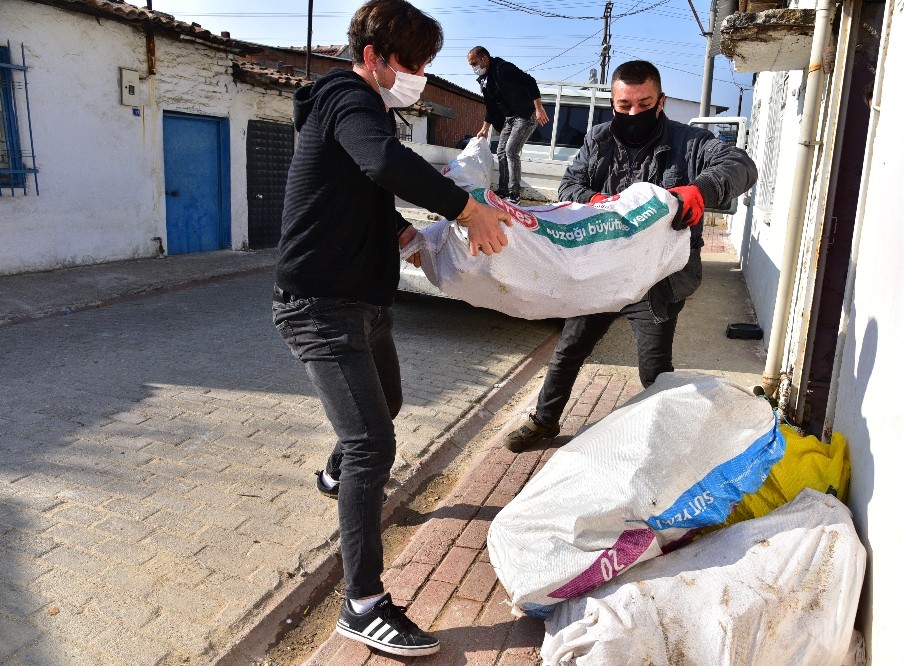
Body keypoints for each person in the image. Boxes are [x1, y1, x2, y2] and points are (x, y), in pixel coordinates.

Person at [272, 0, 511, 657]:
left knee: (389, 406)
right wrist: (466, 209)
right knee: (373, 444)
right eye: (413, 63)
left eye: (429, 64)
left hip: (361, 301)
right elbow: (380, 163)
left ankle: (333, 477)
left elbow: (364, 188)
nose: (421, 77)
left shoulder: (368, 108)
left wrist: (403, 232)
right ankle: (363, 605)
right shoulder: (347, 98)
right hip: (319, 306)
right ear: (374, 56)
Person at [504, 60, 758, 452]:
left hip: (658, 281)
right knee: (569, 349)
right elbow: (569, 186)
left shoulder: (691, 143)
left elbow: (741, 164)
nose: (634, 113)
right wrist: (595, 200)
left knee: (654, 369)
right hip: (601, 274)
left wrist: (701, 189)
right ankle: (544, 421)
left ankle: (663, 440)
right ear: (613, 102)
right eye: (624, 106)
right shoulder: (599, 139)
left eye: (644, 103)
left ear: (661, 101)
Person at [467, 46, 549, 204]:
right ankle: (503, 190)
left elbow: (530, 81)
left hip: (526, 115)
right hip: (510, 118)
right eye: (471, 64)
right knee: (501, 151)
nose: (473, 67)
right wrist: (485, 128)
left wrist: (538, 108)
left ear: (484, 59)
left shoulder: (503, 69)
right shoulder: (485, 80)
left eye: (474, 63)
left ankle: (514, 194)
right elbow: (490, 106)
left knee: (511, 151)